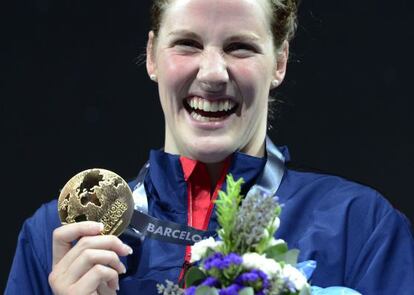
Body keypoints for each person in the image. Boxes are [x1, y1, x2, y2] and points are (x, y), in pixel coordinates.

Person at [6, 0, 414, 294]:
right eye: (187, 43)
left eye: (240, 47)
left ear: (279, 62)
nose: (214, 73)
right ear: (152, 57)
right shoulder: (59, 239)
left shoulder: (361, 229)